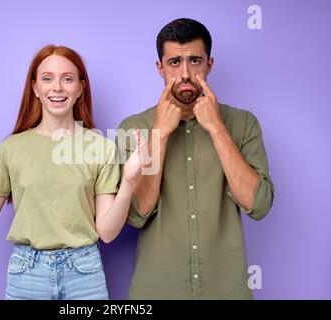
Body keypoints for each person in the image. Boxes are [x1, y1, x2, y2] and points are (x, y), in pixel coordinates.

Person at [0, 45, 145, 300]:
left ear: (80, 88)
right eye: (47, 78)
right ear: (35, 88)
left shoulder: (101, 148)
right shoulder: (10, 149)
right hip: (27, 275)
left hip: (84, 275)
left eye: (68, 79)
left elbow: (106, 232)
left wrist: (128, 182)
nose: (57, 87)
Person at [117, 18, 274, 299]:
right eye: (175, 62)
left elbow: (258, 205)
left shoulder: (243, 123)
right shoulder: (133, 127)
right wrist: (159, 135)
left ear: (209, 64)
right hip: (157, 292)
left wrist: (216, 128)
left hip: (227, 291)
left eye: (195, 60)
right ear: (160, 67)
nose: (186, 73)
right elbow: (136, 214)